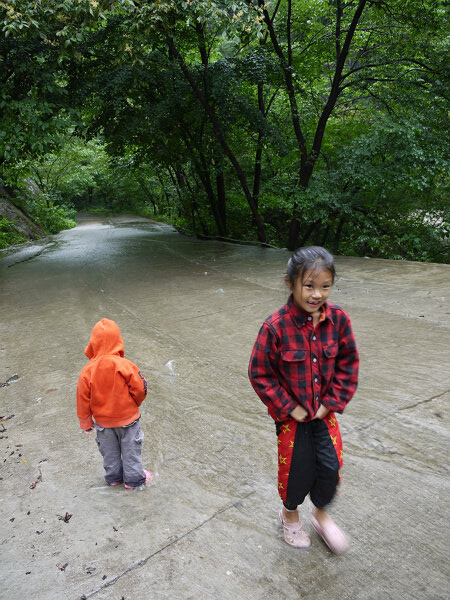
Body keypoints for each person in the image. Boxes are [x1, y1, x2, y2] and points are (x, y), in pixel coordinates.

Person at [248, 246, 358, 553]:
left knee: (330, 467)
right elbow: (260, 373)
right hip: (291, 421)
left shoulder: (339, 321)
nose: (316, 294)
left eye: (325, 286)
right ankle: (290, 514)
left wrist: (331, 402)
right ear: (290, 283)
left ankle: (321, 516)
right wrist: (288, 407)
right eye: (309, 285)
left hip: (325, 414)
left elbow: (349, 364)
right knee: (295, 472)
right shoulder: (275, 327)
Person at [77, 318, 151, 490]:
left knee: (109, 452)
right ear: (118, 341)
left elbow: (82, 398)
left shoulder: (87, 371)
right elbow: (141, 387)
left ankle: (113, 478)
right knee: (131, 450)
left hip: (103, 424)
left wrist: (86, 423)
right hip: (128, 420)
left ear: (93, 344)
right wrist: (135, 403)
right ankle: (133, 481)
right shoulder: (125, 365)